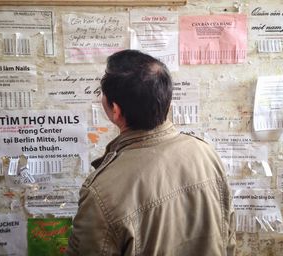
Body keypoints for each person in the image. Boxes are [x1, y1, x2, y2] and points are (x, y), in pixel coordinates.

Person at [67, 49, 236, 256]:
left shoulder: (101, 191)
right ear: (166, 98)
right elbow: (228, 238)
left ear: (115, 110)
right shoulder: (206, 153)